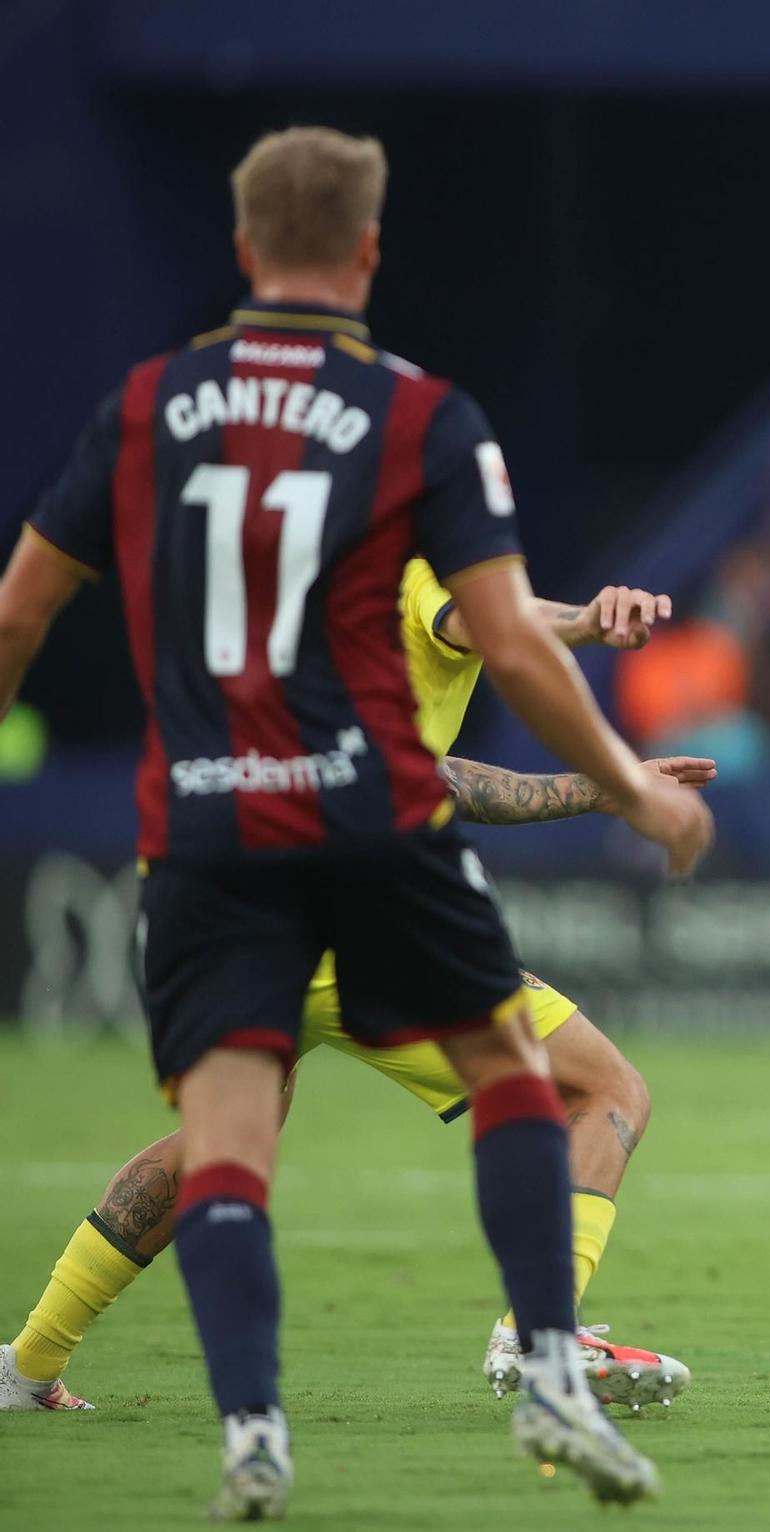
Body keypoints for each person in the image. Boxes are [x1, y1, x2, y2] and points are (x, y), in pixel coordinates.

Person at [0, 126, 712, 1516]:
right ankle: (544, 1357)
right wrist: (622, 784)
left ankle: (115, 1388)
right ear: (370, 252)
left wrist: (580, 625)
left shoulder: (151, 408)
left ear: (243, 247)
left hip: (203, 842)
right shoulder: (412, 422)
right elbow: (492, 630)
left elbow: (23, 604)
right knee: (572, 1089)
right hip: (365, 851)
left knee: (221, 1142)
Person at [1, 559, 710, 1417]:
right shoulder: (418, 568)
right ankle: (540, 1337)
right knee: (604, 1087)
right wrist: (591, 626)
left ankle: (26, 1366)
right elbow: (485, 624)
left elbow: (433, 774)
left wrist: (607, 784)